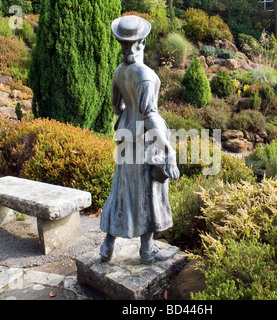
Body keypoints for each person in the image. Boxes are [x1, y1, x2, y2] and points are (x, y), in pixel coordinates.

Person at [99, 15, 180, 264]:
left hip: (125, 140)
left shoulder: (119, 72)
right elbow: (149, 116)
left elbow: (117, 106)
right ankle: (147, 251)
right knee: (148, 193)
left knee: (121, 192)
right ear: (141, 42)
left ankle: (107, 246)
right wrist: (169, 151)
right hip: (144, 143)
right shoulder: (146, 75)